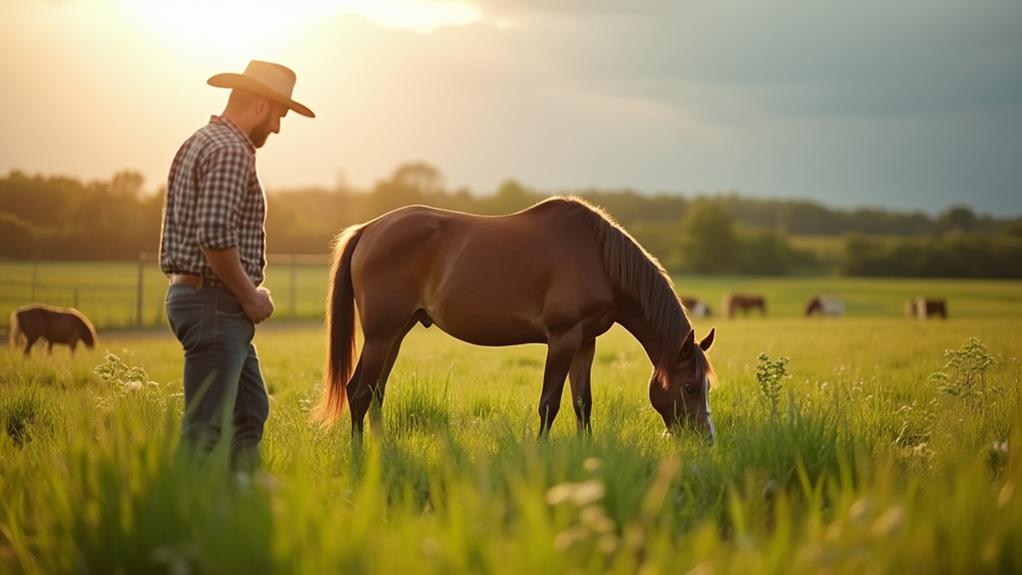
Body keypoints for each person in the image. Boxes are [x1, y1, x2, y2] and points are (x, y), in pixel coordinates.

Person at [158, 60, 315, 470]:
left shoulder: (202, 141)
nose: (278, 128)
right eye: (280, 115)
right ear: (261, 106)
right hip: (214, 302)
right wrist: (250, 295)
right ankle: (184, 512)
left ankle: (241, 496)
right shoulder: (231, 151)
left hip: (205, 299)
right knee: (205, 426)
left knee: (249, 412)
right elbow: (213, 234)